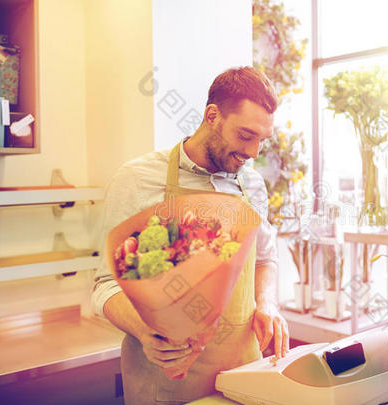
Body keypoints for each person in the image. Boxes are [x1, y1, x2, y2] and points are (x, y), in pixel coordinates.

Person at [91, 66, 289, 405]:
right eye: (245, 136)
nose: (254, 152)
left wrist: (267, 302)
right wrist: (145, 333)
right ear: (212, 115)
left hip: (244, 376)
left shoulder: (251, 184)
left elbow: (265, 258)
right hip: (167, 384)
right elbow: (105, 286)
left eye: (261, 140)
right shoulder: (138, 180)